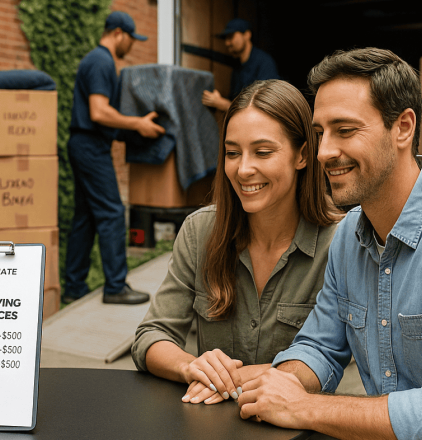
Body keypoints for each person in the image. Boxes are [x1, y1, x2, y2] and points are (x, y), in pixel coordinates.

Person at [237, 48, 422, 440]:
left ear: (403, 127)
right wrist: (271, 384)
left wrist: (304, 406)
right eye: (319, 134)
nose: (325, 152)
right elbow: (320, 348)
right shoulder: (349, 235)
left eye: (345, 131)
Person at [132, 79, 340, 405]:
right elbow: (151, 335)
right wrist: (192, 367)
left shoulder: (339, 245)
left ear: (302, 155)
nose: (243, 169)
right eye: (232, 153)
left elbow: (325, 360)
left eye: (262, 152)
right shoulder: (200, 231)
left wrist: (229, 379)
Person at [64, 11, 165, 305]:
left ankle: (74, 286)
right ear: (119, 33)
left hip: (85, 143)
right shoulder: (101, 61)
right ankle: (115, 287)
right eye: (132, 39)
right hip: (90, 146)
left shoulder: (97, 60)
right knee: (111, 212)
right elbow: (99, 111)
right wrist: (138, 124)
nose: (132, 45)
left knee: (85, 217)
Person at [183, 18, 279, 113]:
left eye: (231, 37)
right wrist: (218, 101)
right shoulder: (238, 67)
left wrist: (224, 105)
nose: (227, 43)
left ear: (247, 35)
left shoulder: (264, 62)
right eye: (226, 38)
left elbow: (264, 108)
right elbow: (237, 102)